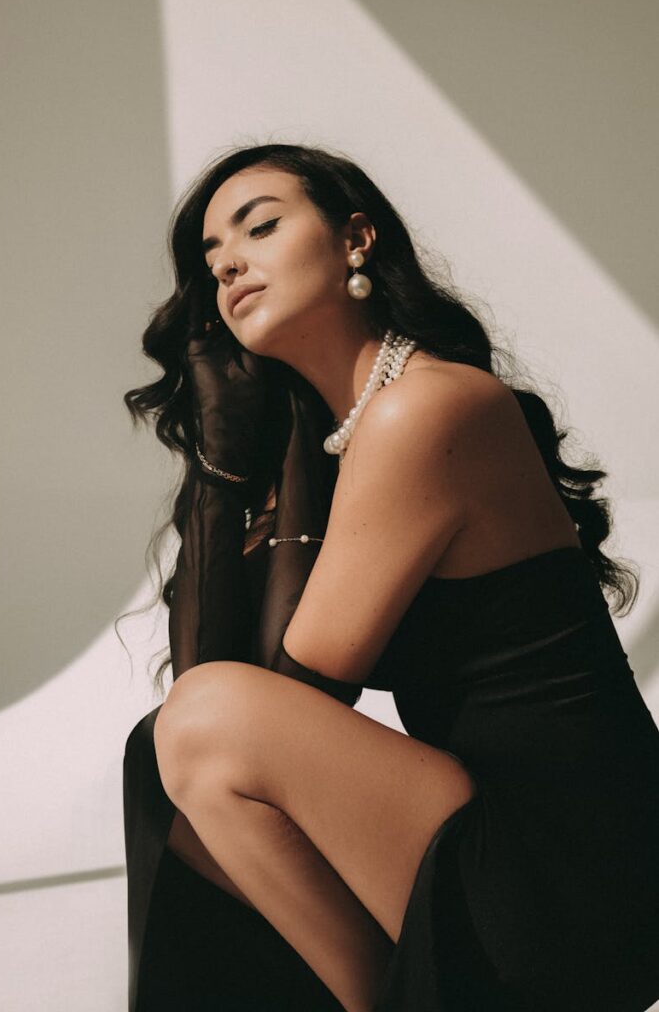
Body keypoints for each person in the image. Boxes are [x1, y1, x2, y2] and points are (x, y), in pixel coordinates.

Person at [120, 143, 659, 1012]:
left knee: (202, 722)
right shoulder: (340, 438)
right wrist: (225, 460)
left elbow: (293, 687)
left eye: (260, 226)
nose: (230, 267)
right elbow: (210, 685)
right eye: (213, 262)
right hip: (493, 833)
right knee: (163, 750)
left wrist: (231, 472)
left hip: (582, 866)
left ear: (355, 240)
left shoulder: (426, 407)